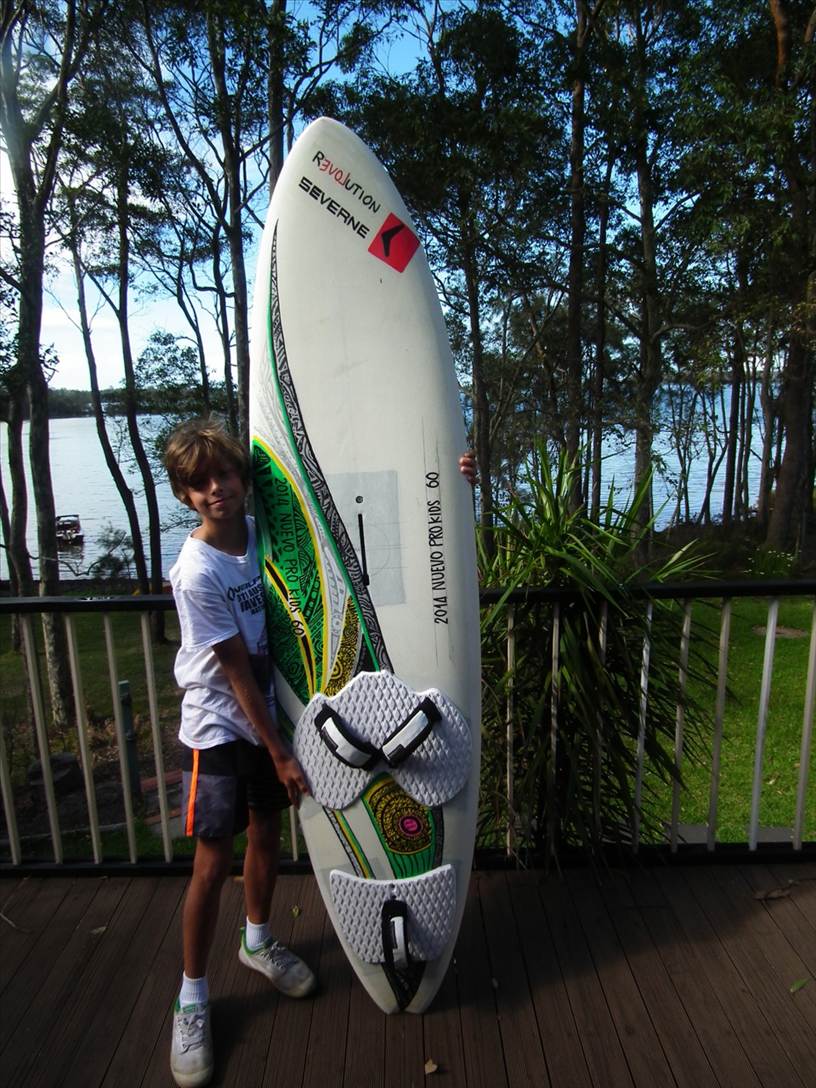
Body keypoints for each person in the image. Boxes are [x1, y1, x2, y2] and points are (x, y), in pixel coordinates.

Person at [165, 417, 476, 1087]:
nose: (217, 488)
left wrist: (452, 483)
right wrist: (280, 752)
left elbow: (347, 498)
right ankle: (191, 997)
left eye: (225, 474)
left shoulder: (266, 534)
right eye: (200, 482)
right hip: (219, 728)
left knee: (267, 835)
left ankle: (256, 941)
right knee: (211, 862)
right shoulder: (195, 572)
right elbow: (235, 673)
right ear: (185, 495)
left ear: (242, 478)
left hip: (269, 721)